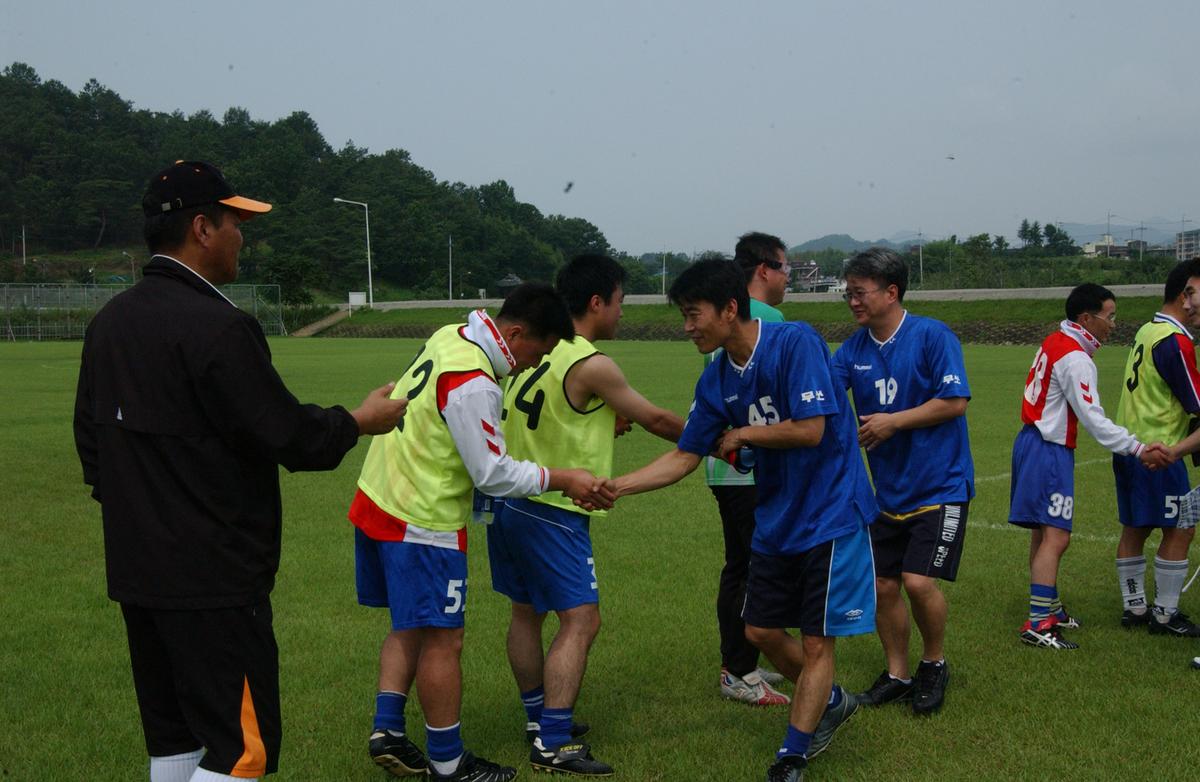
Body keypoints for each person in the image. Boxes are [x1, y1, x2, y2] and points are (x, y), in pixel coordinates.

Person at [73, 160, 408, 782]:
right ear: (202, 228)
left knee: (174, 739)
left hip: (139, 572)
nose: (241, 237)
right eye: (234, 222)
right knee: (240, 750)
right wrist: (360, 420)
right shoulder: (220, 326)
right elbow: (289, 436)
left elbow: (92, 446)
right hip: (214, 580)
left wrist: (145, 515)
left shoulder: (109, 322)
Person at [608, 258, 877, 782]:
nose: (687, 327)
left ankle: (792, 755)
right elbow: (685, 455)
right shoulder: (716, 379)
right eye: (684, 316)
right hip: (776, 517)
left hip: (831, 512)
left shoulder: (794, 343)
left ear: (730, 309)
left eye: (693, 314)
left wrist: (744, 434)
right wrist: (616, 488)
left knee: (817, 640)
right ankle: (831, 700)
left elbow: (812, 430)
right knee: (760, 630)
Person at [348, 284, 613, 782]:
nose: (536, 364)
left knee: (410, 624)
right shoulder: (476, 382)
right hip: (422, 516)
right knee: (443, 639)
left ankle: (389, 730)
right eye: (539, 352)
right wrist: (563, 477)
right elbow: (492, 474)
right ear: (515, 333)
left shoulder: (451, 335)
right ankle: (449, 763)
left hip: (378, 495)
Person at [486, 254, 685, 776]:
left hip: (508, 501)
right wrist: (718, 438)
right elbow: (657, 419)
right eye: (619, 302)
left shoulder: (534, 349)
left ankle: (538, 719)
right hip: (553, 508)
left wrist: (601, 419)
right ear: (597, 302)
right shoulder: (589, 361)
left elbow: (554, 413)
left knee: (525, 614)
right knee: (582, 620)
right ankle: (553, 742)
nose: (621, 313)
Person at [831, 248, 972, 715]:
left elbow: (954, 401)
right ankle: (897, 674)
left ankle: (933, 664)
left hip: (940, 486)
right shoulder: (853, 349)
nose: (853, 301)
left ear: (891, 292)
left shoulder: (932, 335)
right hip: (887, 493)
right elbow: (825, 393)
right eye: (848, 293)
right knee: (882, 586)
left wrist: (893, 422)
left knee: (917, 581)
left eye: (860, 292)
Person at [1009, 284, 1169, 650]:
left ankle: (1049, 609)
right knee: (1056, 536)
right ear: (1086, 318)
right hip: (1048, 448)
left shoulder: (1056, 340)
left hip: (1032, 441)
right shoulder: (1076, 357)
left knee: (1044, 533)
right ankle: (1039, 622)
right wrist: (1138, 448)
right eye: (1109, 316)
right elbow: (1094, 419)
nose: (1113, 324)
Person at [704, 233, 791, 707]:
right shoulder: (766, 320)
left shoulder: (722, 313)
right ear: (763, 270)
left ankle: (742, 662)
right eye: (784, 269)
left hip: (723, 466)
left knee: (739, 565)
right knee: (757, 568)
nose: (786, 279)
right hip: (752, 466)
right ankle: (738, 668)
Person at [1112, 258, 1200, 637]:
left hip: (1128, 446)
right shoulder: (1175, 341)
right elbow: (1197, 403)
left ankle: (1135, 607)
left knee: (1136, 527)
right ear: (1186, 295)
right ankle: (1164, 614)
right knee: (1181, 528)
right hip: (1159, 452)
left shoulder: (1148, 329)